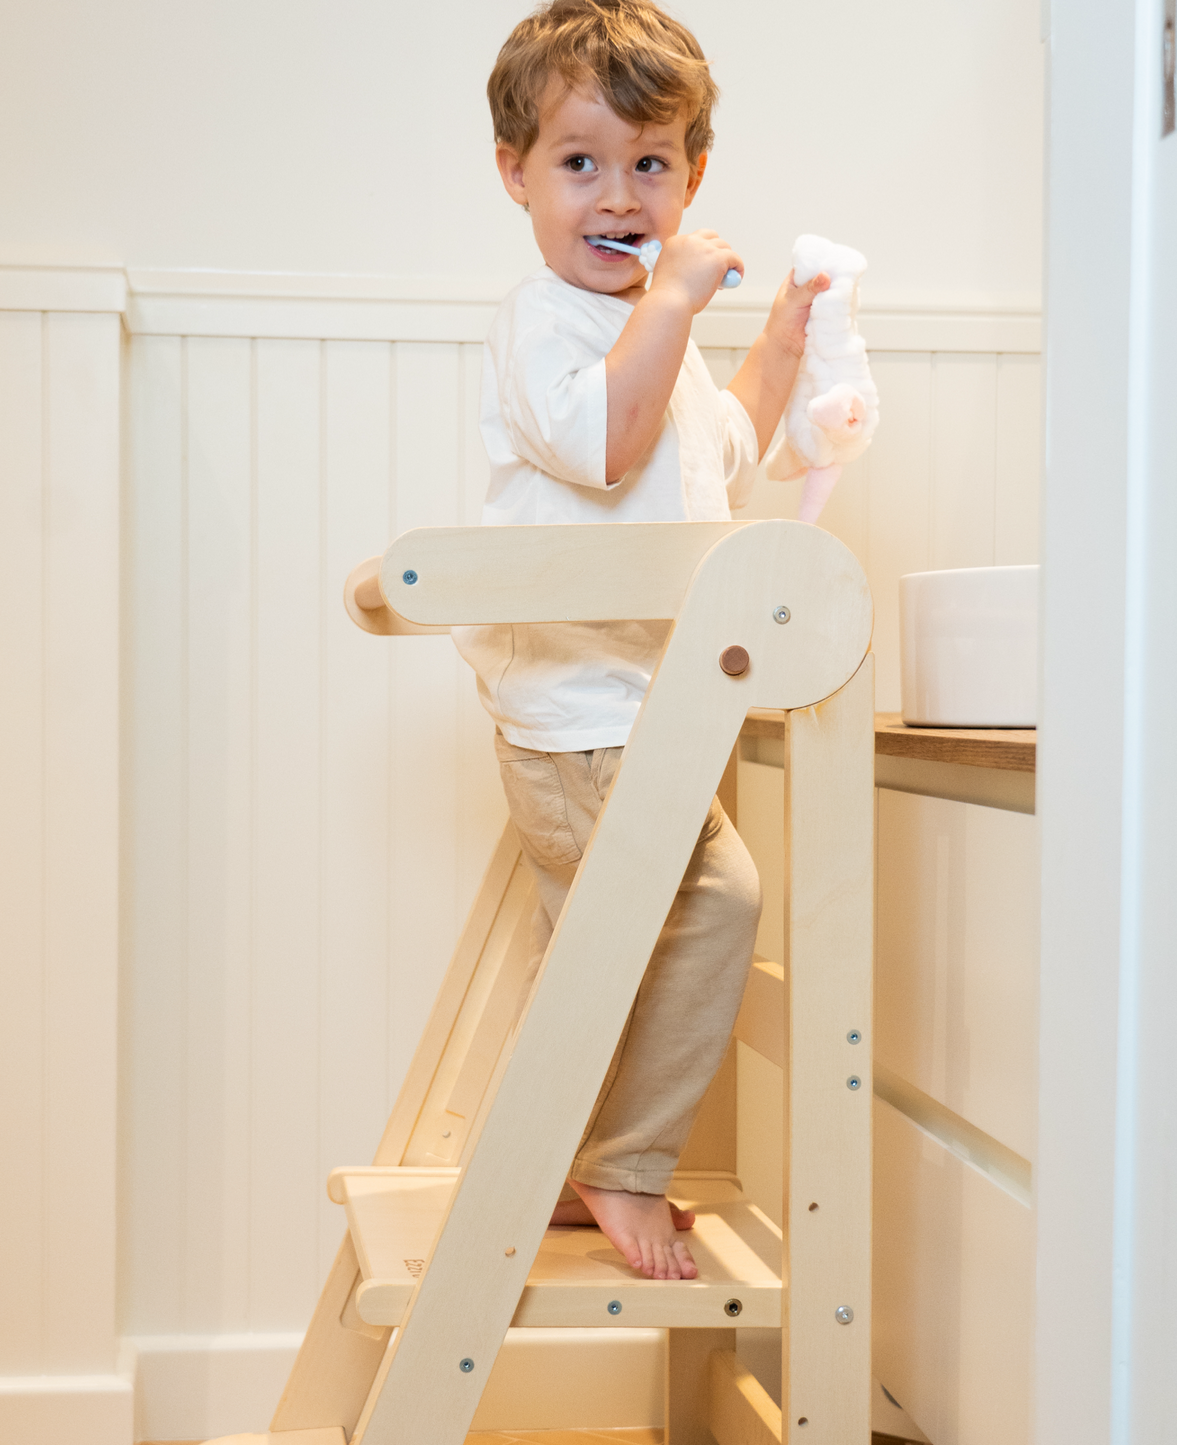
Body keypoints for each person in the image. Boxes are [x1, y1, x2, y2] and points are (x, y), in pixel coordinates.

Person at [454, 0, 827, 1281]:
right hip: (584, 721)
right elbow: (609, 448)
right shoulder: (544, 326)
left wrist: (773, 346)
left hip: (645, 716)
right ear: (516, 174)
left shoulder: (656, 337)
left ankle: (561, 1155)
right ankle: (620, 1165)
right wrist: (669, 296)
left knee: (610, 948)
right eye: (578, 163)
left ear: (693, 174)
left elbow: (724, 437)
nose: (616, 195)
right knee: (713, 901)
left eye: (649, 164)